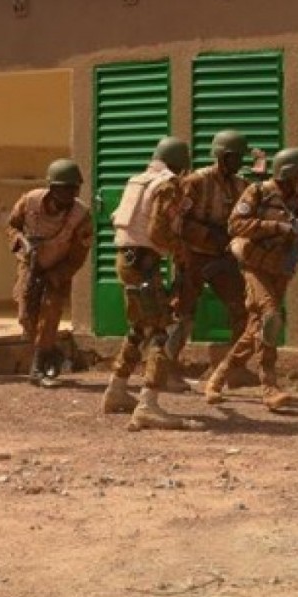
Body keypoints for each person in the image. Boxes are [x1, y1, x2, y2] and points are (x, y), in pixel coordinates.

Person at [200, 147, 298, 412]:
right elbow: (235, 225)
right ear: (288, 172)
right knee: (271, 317)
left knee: (255, 330)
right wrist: (276, 227)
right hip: (255, 266)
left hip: (282, 269)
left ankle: (217, 378)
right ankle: (269, 387)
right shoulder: (258, 192)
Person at [102, 137, 200, 430]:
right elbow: (158, 230)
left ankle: (116, 390)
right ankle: (148, 404)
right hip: (144, 261)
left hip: (128, 259)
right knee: (163, 330)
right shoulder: (166, 184)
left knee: (139, 327)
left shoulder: (138, 180)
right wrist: (180, 251)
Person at [168, 130, 251, 388]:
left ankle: (235, 369)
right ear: (223, 157)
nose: (240, 163)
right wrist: (207, 234)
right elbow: (177, 222)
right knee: (182, 312)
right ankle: (165, 368)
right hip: (193, 255)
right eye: (236, 157)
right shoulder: (196, 182)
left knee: (243, 307)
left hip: (223, 257)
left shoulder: (241, 185)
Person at [6, 158, 94, 388]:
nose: (71, 194)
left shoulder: (81, 216)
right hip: (29, 265)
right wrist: (21, 242)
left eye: (74, 188)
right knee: (27, 318)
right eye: (65, 188)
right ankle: (52, 352)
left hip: (58, 270)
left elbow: (78, 256)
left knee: (50, 315)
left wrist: (56, 277)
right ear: (53, 188)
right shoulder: (30, 201)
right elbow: (12, 225)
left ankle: (36, 369)